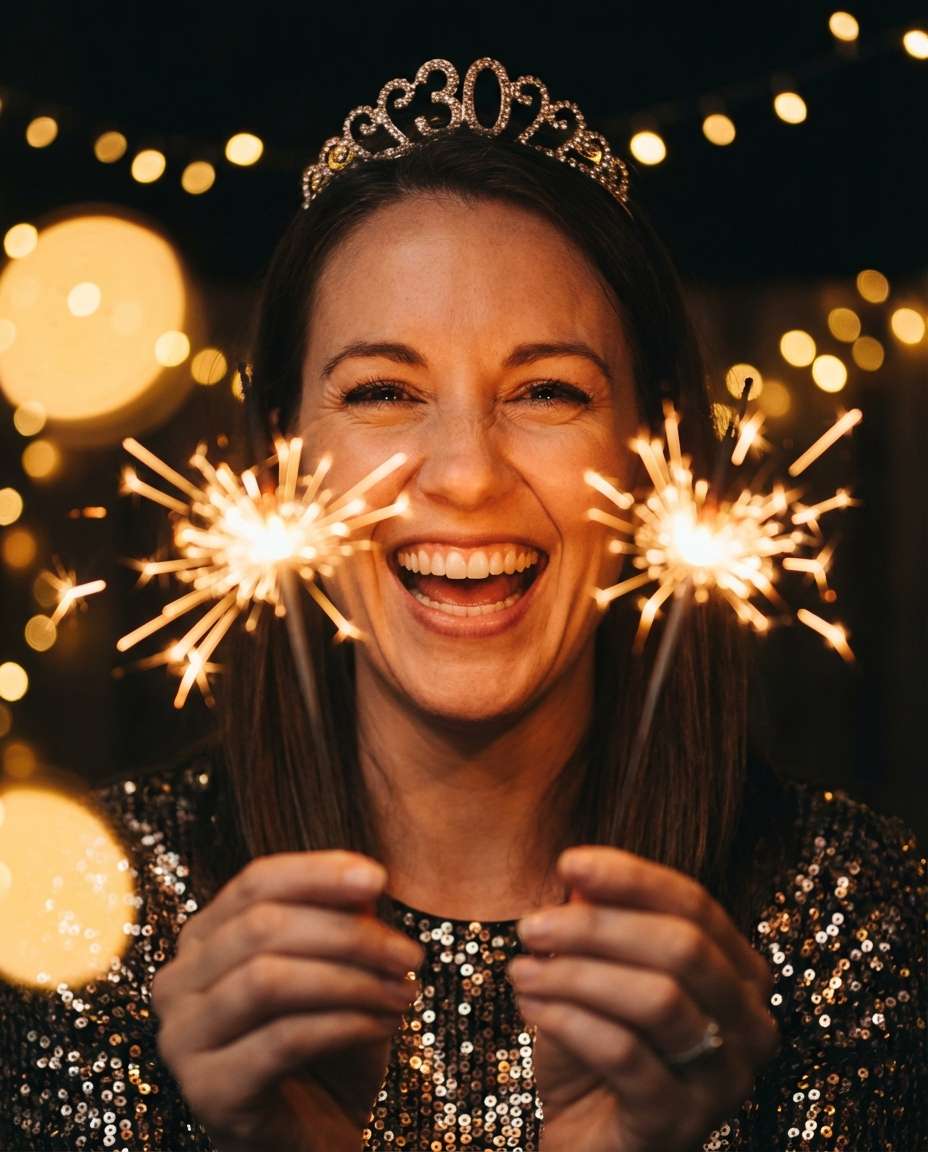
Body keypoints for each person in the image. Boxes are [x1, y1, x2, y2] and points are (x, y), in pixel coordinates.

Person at [1, 56, 925, 1152]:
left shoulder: (850, 913)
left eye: (547, 391)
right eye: (384, 392)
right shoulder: (86, 918)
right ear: (280, 455)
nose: (467, 476)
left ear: (653, 448)